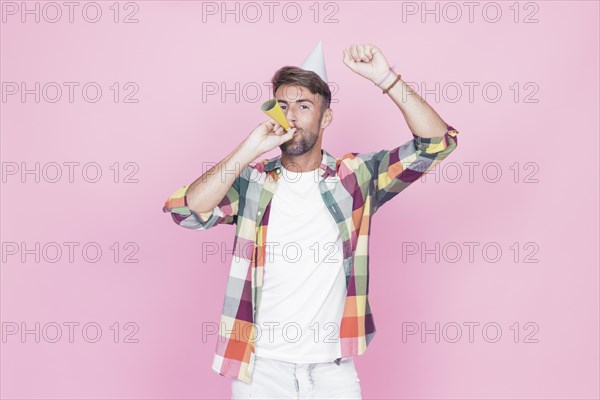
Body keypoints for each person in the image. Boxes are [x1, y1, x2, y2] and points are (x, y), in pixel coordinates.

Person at [162, 43, 460, 399]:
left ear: (326, 117)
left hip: (332, 369)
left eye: (304, 106)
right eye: (283, 106)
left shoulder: (355, 178)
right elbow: (186, 212)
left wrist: (385, 77)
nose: (291, 116)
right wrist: (248, 150)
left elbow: (436, 144)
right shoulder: (252, 182)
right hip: (260, 369)